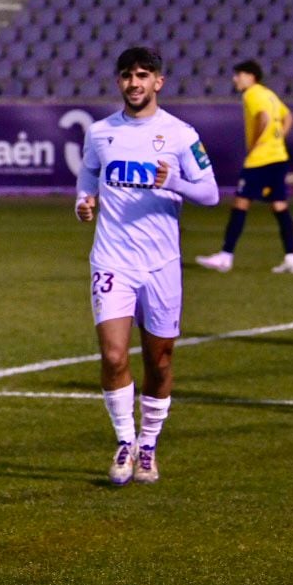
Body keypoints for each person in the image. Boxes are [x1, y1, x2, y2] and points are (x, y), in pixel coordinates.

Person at [77, 46, 219, 484]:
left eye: (143, 75)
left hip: (161, 265)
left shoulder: (180, 134)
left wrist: (172, 181)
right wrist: (83, 203)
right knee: (114, 354)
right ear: (118, 81)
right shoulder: (100, 133)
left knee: (159, 362)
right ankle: (124, 442)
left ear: (158, 81)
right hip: (112, 259)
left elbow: (211, 193)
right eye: (126, 75)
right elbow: (87, 177)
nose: (134, 83)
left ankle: (149, 445)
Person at [196, 61, 293, 274]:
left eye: (238, 74)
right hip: (278, 157)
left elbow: (264, 117)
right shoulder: (269, 93)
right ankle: (291, 258)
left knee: (240, 204)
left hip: (260, 160)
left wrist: (255, 143)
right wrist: (278, 139)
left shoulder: (251, 94)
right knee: (279, 205)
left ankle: (226, 256)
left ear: (251, 76)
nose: (235, 79)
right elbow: (289, 117)